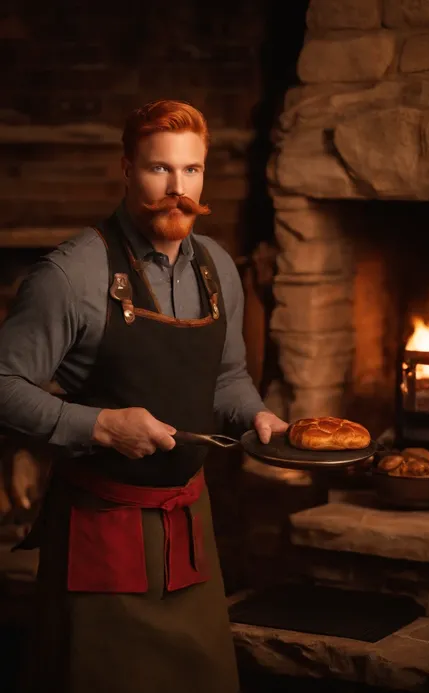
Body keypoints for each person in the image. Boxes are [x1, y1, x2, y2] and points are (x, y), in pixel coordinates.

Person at [0, 99, 288, 693]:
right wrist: (101, 427)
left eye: (192, 171)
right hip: (101, 536)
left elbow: (226, 377)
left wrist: (259, 416)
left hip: (190, 529)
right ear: (128, 169)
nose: (177, 189)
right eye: (160, 170)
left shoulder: (219, 270)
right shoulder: (70, 275)